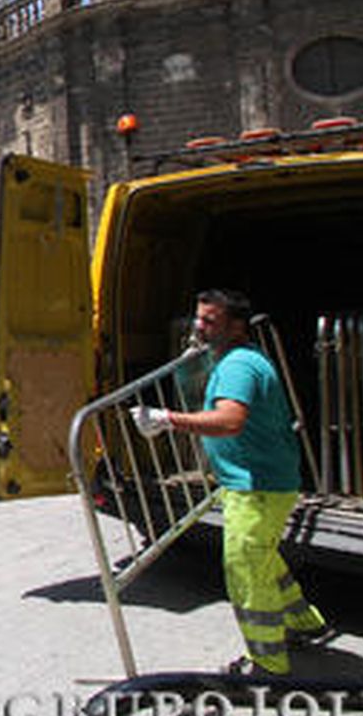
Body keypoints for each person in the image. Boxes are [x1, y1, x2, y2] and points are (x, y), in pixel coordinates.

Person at [135, 288, 329, 675]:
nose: (199, 326)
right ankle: (302, 621)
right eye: (198, 317)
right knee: (265, 557)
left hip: (256, 487)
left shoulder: (239, 366)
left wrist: (167, 419)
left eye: (210, 320)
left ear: (236, 326)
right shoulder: (237, 359)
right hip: (261, 482)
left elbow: (229, 420)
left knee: (244, 569)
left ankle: (267, 662)